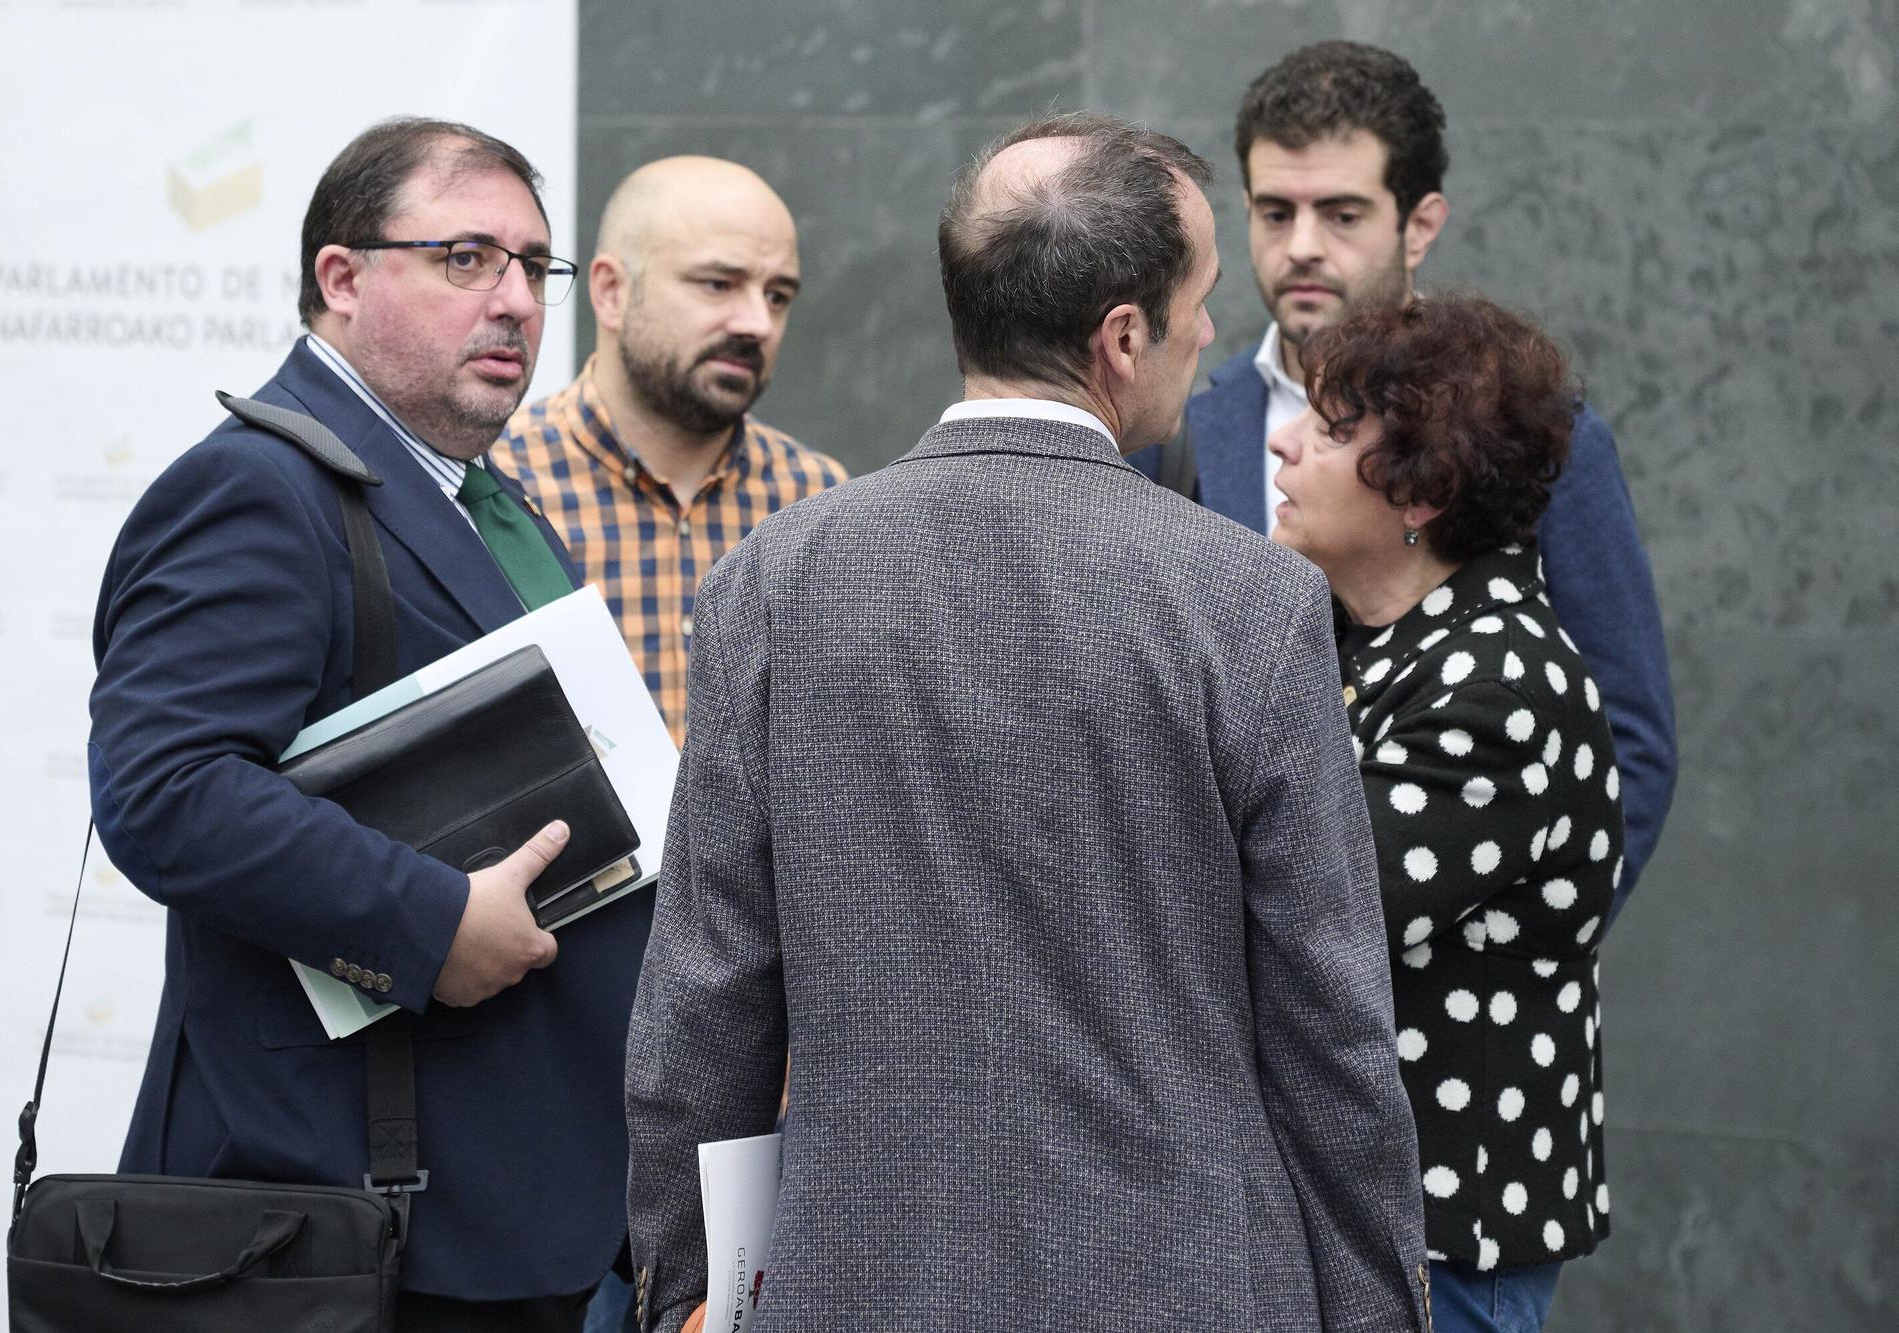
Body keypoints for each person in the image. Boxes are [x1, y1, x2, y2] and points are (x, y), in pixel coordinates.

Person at [625, 113, 1432, 1332]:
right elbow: (1332, 1036)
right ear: (1120, 338)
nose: (1210, 330)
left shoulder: (770, 580)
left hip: (854, 1285)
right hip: (1191, 1284)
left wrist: (685, 1290)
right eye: (1198, 299)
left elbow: (704, 1001)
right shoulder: (1253, 601)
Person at [88, 118, 652, 1331]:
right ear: (341, 280)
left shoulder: (475, 496)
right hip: (346, 1219)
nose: (512, 301)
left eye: (532, 267)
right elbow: (167, 790)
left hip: (512, 1208)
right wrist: (432, 922)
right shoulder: (257, 486)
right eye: (464, 259)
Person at [1138, 40, 1675, 918]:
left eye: (1341, 214)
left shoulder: (1537, 433)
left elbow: (1630, 734)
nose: (1302, 246)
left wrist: (1527, 939)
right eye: (1275, 213)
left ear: (1419, 224)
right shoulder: (1187, 426)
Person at [1268, 296, 1623, 1331]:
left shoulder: (1498, 673)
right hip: (1368, 1219)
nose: (1284, 445)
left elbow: (1322, 905)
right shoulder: (1365, 642)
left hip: (1443, 1239)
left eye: (1331, 430)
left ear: (1421, 486)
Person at [495, 156, 846, 747]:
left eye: (778, 295)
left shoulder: (820, 502)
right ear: (610, 292)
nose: (758, 322)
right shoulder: (499, 487)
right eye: (718, 284)